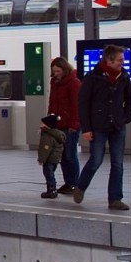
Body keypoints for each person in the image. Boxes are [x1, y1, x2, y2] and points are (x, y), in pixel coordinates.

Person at [73, 45, 131, 211]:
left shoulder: (124, 76)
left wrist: (125, 116)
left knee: (118, 164)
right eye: (120, 60)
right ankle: (80, 187)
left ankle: (115, 199)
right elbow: (83, 103)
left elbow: (130, 97)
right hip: (98, 126)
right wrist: (86, 128)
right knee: (95, 160)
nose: (123, 62)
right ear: (109, 60)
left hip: (117, 126)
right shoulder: (92, 77)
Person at [47, 56, 82, 193]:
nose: (56, 74)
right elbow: (52, 103)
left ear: (64, 69)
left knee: (70, 154)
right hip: (58, 124)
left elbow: (76, 105)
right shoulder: (54, 82)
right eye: (54, 71)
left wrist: (75, 123)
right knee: (62, 155)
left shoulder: (74, 83)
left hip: (70, 125)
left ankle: (73, 183)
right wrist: (49, 120)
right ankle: (68, 182)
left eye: (58, 71)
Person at [36, 116, 66, 198]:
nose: (40, 124)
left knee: (48, 174)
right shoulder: (57, 134)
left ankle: (51, 190)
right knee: (51, 173)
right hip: (55, 159)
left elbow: (45, 149)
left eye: (42, 123)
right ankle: (52, 189)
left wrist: (41, 159)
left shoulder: (47, 136)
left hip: (49, 159)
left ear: (46, 125)